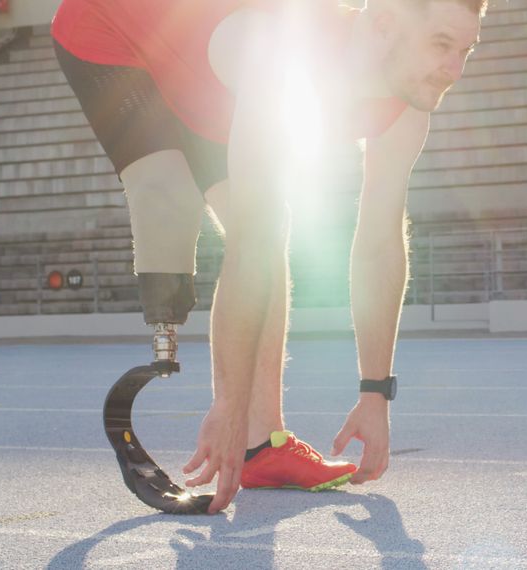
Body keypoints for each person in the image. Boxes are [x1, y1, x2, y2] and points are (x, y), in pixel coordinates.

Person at [51, 0, 484, 514]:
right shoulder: (280, 60)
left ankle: (262, 446)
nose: (455, 70)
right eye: (441, 44)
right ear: (384, 23)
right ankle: (204, 376)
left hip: (206, 79)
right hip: (110, 29)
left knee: (266, 222)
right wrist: (227, 404)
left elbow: (379, 243)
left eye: (466, 50)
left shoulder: (408, 105)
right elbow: (250, 243)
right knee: (173, 195)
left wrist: (375, 394)